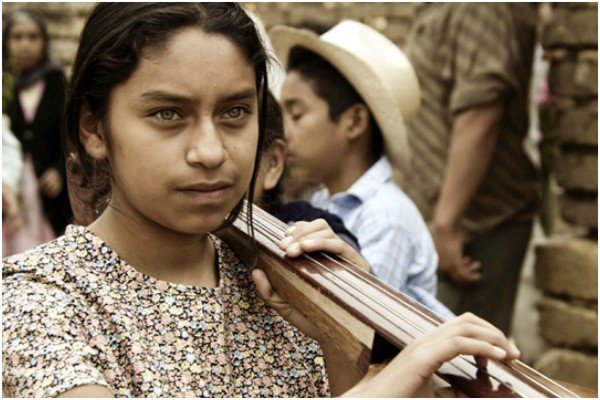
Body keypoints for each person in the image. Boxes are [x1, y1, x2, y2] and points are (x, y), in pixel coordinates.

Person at [3, 3, 519, 398]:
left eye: (234, 113)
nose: (211, 152)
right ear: (94, 128)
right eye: (168, 114)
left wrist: (345, 326)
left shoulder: (273, 275)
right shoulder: (41, 302)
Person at [270, 21, 453, 318]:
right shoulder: (318, 204)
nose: (284, 133)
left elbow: (365, 323)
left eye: (297, 114)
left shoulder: (385, 217)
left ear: (354, 122)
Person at [402, 4, 540, 335]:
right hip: (447, 226)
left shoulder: (482, 7)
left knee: (465, 367)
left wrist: (447, 225)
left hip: (474, 230)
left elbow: (481, 113)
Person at [254, 91, 360, 251]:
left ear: (272, 163)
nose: (209, 155)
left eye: (296, 116)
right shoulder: (320, 198)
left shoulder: (307, 229)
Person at [3, 10, 72, 239]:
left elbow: (71, 133)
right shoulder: (5, 84)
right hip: (10, 188)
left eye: (33, 37)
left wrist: (59, 170)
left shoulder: (56, 83)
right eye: (17, 37)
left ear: (44, 42)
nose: (25, 45)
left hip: (47, 195)